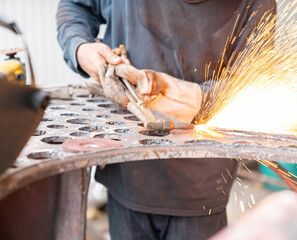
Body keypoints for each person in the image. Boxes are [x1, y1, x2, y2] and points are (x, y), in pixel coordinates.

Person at [56, 1, 276, 239]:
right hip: (126, 173)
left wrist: (176, 94)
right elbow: (75, 6)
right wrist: (80, 47)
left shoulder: (254, 4)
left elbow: (249, 92)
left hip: (199, 191)